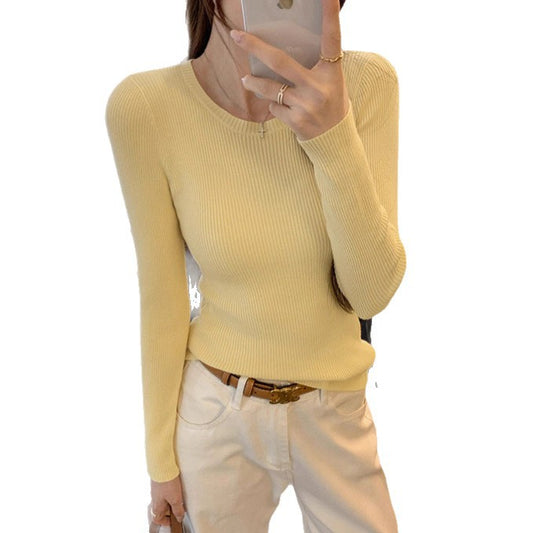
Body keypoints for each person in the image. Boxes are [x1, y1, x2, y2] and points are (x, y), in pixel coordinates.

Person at [105, 0, 407, 529]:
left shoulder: (367, 85)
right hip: (217, 413)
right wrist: (160, 465)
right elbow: (162, 297)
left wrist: (332, 135)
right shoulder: (146, 107)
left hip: (335, 409)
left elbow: (371, 293)